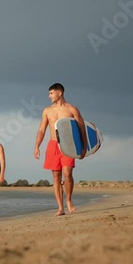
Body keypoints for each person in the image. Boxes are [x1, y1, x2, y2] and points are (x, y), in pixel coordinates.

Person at [34, 83, 87, 216]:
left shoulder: (72, 109)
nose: (49, 96)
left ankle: (68, 199)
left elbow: (82, 128)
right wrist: (37, 146)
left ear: (60, 93)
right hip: (52, 144)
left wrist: (84, 146)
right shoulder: (47, 110)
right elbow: (41, 129)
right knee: (56, 176)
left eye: (51, 93)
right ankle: (60, 207)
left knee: (67, 174)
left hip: (68, 144)